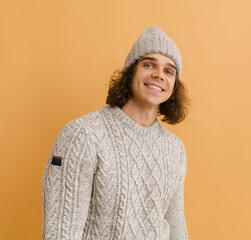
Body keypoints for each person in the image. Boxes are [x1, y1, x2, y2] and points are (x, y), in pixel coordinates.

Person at [42, 26, 190, 240]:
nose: (159, 75)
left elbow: (176, 228)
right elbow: (60, 233)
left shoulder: (175, 149)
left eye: (169, 71)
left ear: (174, 85)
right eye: (149, 64)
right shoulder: (83, 135)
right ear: (131, 72)